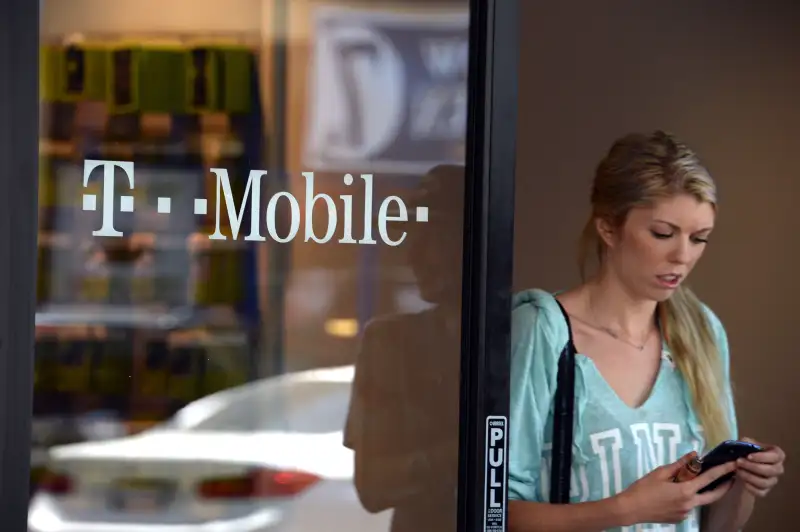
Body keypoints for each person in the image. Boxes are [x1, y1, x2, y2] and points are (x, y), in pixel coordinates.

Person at [507, 131, 786, 532]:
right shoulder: (543, 331)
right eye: (662, 234)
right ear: (608, 227)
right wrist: (626, 509)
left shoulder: (702, 332)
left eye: (699, 238)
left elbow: (716, 527)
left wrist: (744, 484)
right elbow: (494, 513)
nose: (683, 256)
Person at [344, 165, 464, 532]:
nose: (415, 255)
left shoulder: (530, 335)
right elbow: (373, 487)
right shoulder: (390, 343)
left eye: (435, 237)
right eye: (414, 237)